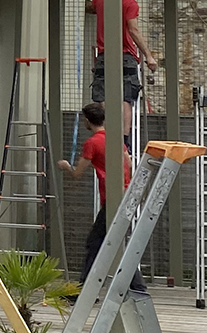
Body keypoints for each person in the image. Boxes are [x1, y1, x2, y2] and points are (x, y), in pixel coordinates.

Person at [59, 102, 144, 292]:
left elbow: (78, 173)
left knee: (96, 243)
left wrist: (66, 166)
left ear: (88, 121)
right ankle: (136, 286)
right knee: (113, 240)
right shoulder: (115, 138)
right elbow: (129, 164)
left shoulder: (92, 143)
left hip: (112, 198)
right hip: (126, 194)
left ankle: (86, 290)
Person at [89, 0, 158, 142]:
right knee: (126, 97)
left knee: (102, 95)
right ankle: (124, 138)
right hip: (125, 54)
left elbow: (90, 8)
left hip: (104, 55)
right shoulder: (130, 4)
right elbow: (133, 29)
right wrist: (148, 56)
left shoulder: (100, 0)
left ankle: (104, 133)